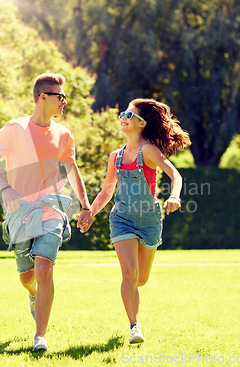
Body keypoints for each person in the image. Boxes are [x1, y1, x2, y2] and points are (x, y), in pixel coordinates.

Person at [0, 73, 93, 351]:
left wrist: (85, 204)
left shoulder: (63, 134)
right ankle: (33, 294)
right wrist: (5, 188)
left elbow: (71, 169)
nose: (64, 102)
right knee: (27, 276)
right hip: (20, 211)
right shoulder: (15, 129)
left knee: (44, 267)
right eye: (60, 97)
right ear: (42, 97)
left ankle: (40, 336)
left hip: (52, 208)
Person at [79, 98, 191, 344]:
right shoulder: (115, 157)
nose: (123, 117)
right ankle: (135, 326)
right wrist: (89, 212)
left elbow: (175, 174)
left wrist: (174, 196)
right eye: (122, 113)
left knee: (141, 279)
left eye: (128, 115)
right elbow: (107, 191)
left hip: (150, 219)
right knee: (129, 273)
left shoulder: (149, 150)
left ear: (141, 124)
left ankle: (134, 312)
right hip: (122, 218)